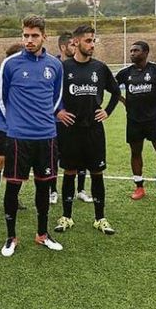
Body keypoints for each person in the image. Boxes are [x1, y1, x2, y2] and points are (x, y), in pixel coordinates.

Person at [0, 15, 64, 256]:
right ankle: (10, 236)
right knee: (13, 188)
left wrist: (45, 119)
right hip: (18, 138)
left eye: (34, 36)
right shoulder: (11, 64)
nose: (29, 40)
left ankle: (42, 234)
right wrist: (12, 125)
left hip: (46, 137)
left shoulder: (55, 65)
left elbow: (56, 98)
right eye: (26, 35)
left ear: (44, 36)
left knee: (43, 187)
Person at [54, 25, 120, 235]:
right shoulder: (63, 68)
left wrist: (107, 111)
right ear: (76, 42)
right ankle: (66, 217)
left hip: (94, 130)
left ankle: (100, 218)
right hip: (70, 130)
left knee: (97, 172)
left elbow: (116, 91)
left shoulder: (100, 68)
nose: (92, 45)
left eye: (94, 41)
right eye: (88, 41)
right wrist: (58, 112)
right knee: (70, 172)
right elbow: (49, 93)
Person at [115, 40, 156, 204]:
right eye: (131, 51)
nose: (132, 53)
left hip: (155, 119)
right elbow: (111, 86)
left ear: (145, 52)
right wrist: (124, 101)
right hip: (134, 120)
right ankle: (139, 187)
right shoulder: (125, 73)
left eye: (136, 51)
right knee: (135, 153)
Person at [0, 43, 24, 219]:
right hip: (3, 129)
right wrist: (0, 124)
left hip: (21, 129)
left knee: (16, 165)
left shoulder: (23, 77)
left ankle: (14, 198)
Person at [54, 32, 90, 204]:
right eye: (72, 45)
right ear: (63, 47)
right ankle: (53, 191)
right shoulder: (53, 66)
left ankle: (81, 190)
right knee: (53, 156)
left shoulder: (79, 66)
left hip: (76, 121)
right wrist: (56, 112)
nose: (75, 47)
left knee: (82, 155)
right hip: (55, 121)